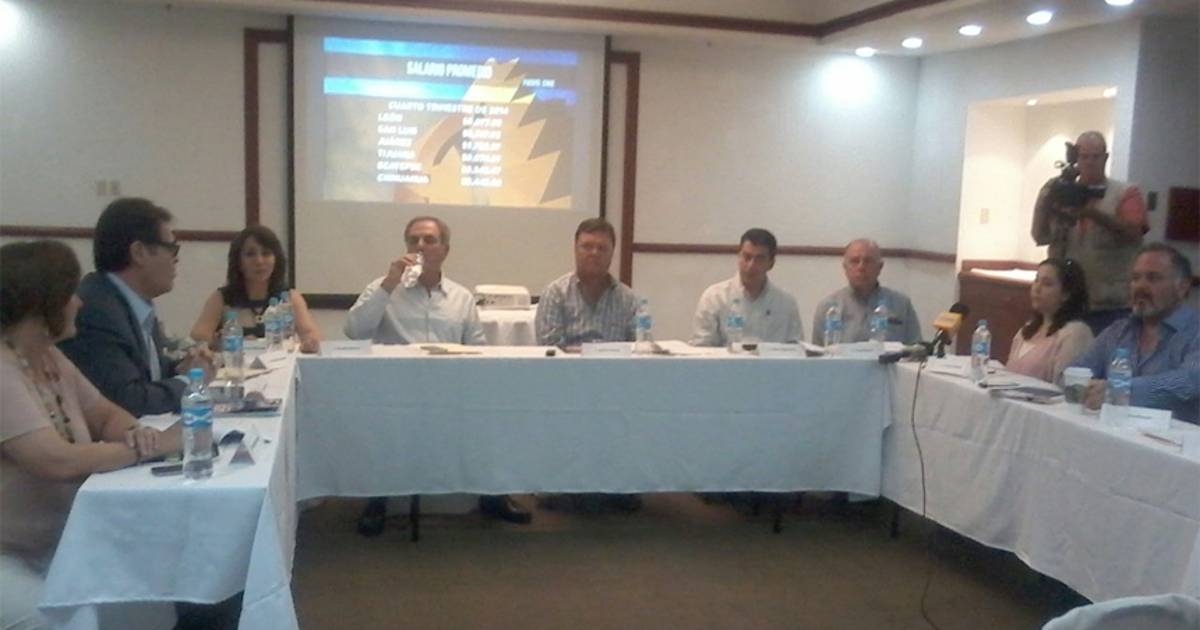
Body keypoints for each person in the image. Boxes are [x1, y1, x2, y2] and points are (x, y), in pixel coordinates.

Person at [1, 240, 181, 630]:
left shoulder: (49, 357)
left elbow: (104, 414)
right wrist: (148, 449)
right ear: (42, 304)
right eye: (69, 294)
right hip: (8, 557)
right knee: (70, 620)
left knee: (149, 602)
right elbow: (56, 460)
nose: (79, 303)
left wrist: (137, 433)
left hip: (58, 545)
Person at [343, 216, 528, 532]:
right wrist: (388, 284)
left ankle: (491, 494)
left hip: (451, 388)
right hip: (398, 389)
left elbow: (478, 348)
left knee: (495, 410)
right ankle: (378, 498)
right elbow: (353, 331)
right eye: (413, 240)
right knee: (379, 415)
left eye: (429, 240)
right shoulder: (383, 287)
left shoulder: (461, 297)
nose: (420, 246)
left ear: (445, 250)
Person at [59, 198, 213, 417]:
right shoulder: (96, 311)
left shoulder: (129, 301)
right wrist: (190, 381)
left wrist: (183, 368)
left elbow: (146, 374)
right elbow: (128, 400)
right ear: (139, 252)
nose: (176, 260)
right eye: (172, 249)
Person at [1032, 131, 1148, 335]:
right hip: (1065, 305)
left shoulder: (1125, 193)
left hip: (1109, 308)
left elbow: (1134, 232)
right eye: (1084, 157)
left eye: (1095, 157)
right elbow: (1039, 236)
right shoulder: (1062, 193)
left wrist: (1091, 213)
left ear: (1106, 157)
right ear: (1076, 158)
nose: (1089, 162)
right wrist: (1046, 201)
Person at [1073, 243, 1198, 424]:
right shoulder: (1118, 331)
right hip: (1112, 434)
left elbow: (1189, 382)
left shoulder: (1195, 332)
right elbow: (1076, 371)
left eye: (1153, 278)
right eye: (1135, 278)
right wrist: (1083, 386)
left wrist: (1119, 391)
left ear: (1182, 287)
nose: (1141, 286)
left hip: (1176, 440)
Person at [190, 225, 321, 353]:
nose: (259, 261)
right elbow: (198, 339)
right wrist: (219, 343)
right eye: (250, 254)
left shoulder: (289, 297)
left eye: (266, 253)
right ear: (238, 261)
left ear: (276, 260)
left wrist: (309, 342)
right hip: (235, 365)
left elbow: (311, 334)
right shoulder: (222, 298)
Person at [689, 228, 803, 346]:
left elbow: (796, 349)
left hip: (771, 359)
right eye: (747, 257)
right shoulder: (715, 297)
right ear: (739, 257)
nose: (751, 265)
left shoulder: (786, 304)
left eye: (759, 259)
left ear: (771, 263)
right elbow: (701, 347)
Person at [535, 217, 637, 349]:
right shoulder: (555, 294)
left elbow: (638, 349)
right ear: (575, 249)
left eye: (602, 248)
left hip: (614, 363)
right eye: (587, 247)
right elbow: (549, 349)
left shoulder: (628, 299)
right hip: (567, 363)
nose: (594, 253)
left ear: (612, 252)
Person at [811, 239, 922, 345]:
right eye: (855, 261)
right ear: (845, 267)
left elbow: (915, 350)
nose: (861, 267)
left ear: (880, 267)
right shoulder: (828, 307)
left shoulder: (902, 305)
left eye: (868, 261)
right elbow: (817, 355)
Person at [1006, 258, 1094, 384]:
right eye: (1036, 280)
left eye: (1047, 284)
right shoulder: (1028, 329)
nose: (1037, 288)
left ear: (1066, 294)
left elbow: (1065, 387)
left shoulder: (1076, 333)